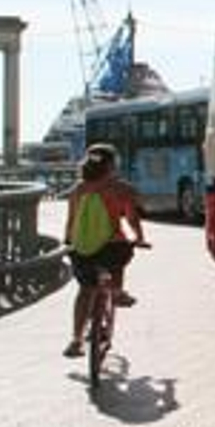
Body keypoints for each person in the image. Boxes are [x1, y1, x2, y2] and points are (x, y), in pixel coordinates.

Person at [62, 144, 148, 358]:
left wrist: (68, 241)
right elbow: (132, 217)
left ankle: (76, 340)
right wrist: (139, 237)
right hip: (110, 247)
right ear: (111, 164)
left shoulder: (77, 190)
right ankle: (117, 292)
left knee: (85, 290)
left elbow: (71, 221)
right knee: (121, 253)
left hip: (82, 250)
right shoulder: (120, 188)